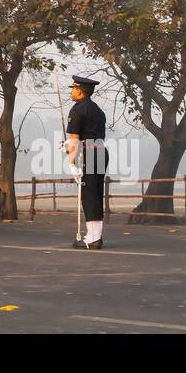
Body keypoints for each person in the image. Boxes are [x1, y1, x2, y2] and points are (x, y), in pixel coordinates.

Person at [66, 75, 108, 250]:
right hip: (100, 151)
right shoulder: (98, 110)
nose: (71, 92)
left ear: (79, 91)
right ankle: (95, 236)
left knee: (88, 195)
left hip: (87, 154)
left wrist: (71, 163)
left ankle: (92, 239)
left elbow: (75, 140)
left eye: (73, 89)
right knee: (96, 193)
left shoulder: (77, 110)